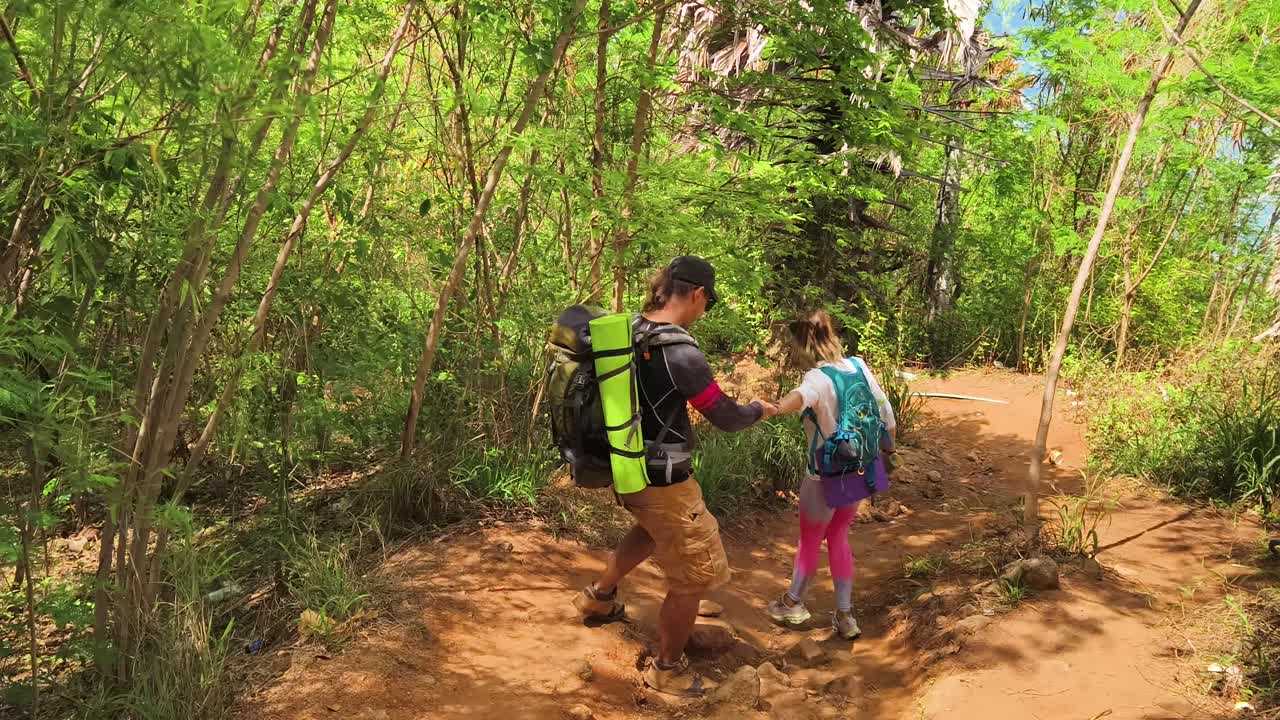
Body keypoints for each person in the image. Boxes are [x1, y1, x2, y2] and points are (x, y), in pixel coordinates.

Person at [573, 256, 776, 697]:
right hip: (664, 480)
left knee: (649, 531)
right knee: (694, 577)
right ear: (699, 294)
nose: (706, 309)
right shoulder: (681, 353)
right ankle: (668, 669)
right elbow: (725, 417)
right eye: (708, 302)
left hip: (625, 467)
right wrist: (760, 409)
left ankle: (598, 596)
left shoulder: (628, 329)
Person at [765, 310, 895, 640]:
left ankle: (792, 602)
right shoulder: (858, 366)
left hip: (823, 475)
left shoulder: (816, 379)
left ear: (802, 344)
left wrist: (775, 407)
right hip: (859, 469)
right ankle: (846, 616)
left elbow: (800, 399)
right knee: (838, 536)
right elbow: (886, 415)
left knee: (810, 540)